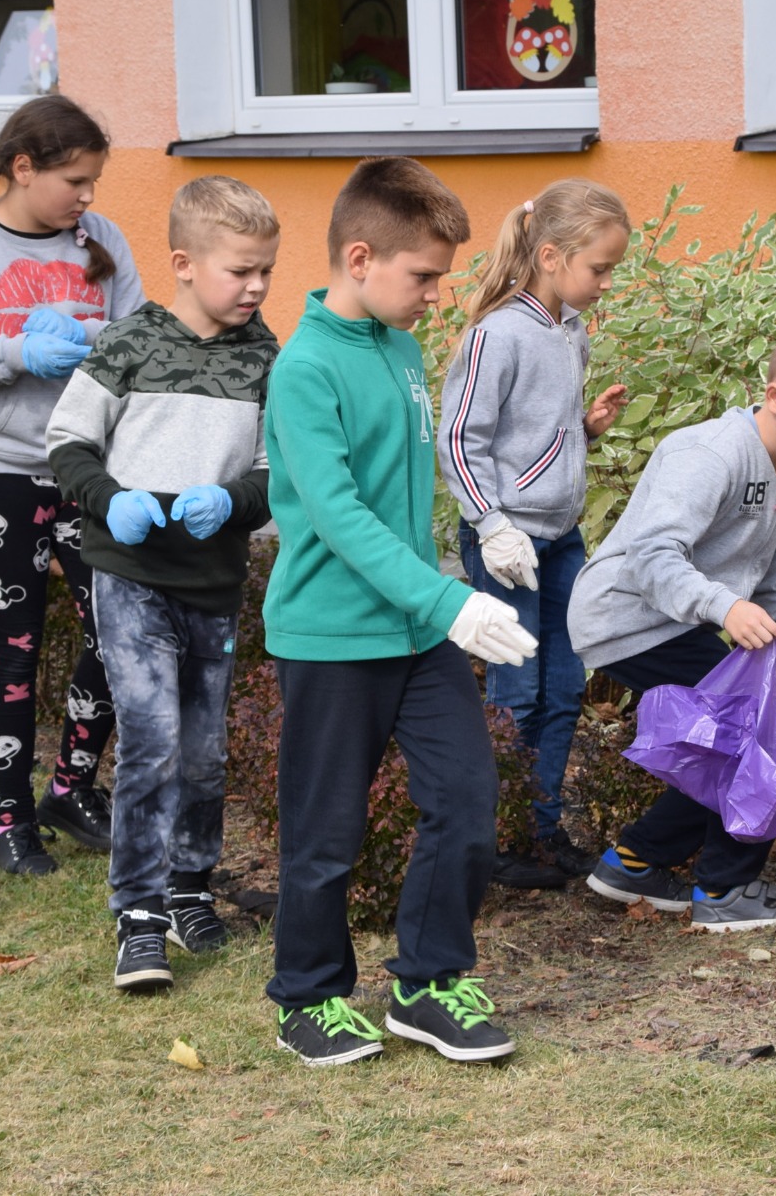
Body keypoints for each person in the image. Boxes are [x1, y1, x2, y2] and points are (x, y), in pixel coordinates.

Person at [263, 156, 539, 1066]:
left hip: (418, 632)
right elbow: (340, 518)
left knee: (466, 798)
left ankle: (425, 984)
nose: (434, 294)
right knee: (325, 830)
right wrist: (452, 603)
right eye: (422, 276)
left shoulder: (402, 347)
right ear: (359, 258)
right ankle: (307, 996)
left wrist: (476, 543)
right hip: (335, 636)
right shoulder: (304, 370)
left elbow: (409, 491)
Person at [570, 314, 776, 931]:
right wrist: (725, 607)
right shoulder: (710, 454)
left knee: (729, 738)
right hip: (625, 617)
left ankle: (634, 862)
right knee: (764, 723)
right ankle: (725, 891)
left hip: (673, 620)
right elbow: (652, 557)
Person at [45, 177, 281, 993]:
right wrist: (114, 500)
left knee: (206, 753)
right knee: (152, 740)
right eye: (239, 271)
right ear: (183, 263)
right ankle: (138, 915)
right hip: (131, 573)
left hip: (211, 581)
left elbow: (272, 472)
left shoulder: (265, 356)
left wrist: (238, 501)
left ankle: (190, 884)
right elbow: (68, 443)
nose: (254, 288)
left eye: (265, 273)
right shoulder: (129, 344)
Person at [0, 95, 145, 877]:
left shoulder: (99, 239)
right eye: (74, 180)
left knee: (119, 634)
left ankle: (71, 790)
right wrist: (12, 353)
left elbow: (145, 337)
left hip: (87, 466)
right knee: (13, 646)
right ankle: (12, 821)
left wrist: (86, 337)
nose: (87, 197)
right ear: (22, 167)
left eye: (92, 181)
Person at [440, 179, 631, 890]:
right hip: (508, 545)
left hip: (560, 540)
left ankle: (541, 831)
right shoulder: (498, 335)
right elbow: (460, 439)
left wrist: (583, 432)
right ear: (550, 255)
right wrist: (492, 526)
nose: (606, 282)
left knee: (562, 686)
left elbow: (533, 439)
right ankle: (490, 840)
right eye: (599, 268)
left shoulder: (570, 333)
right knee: (515, 690)